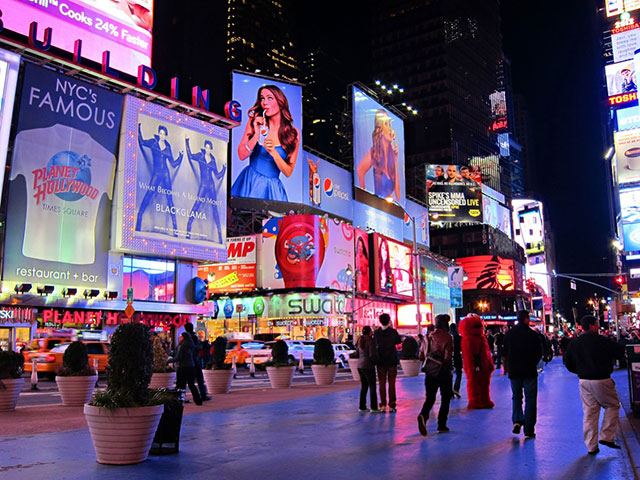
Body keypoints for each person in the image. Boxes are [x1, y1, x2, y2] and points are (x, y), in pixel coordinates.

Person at [564, 315, 626, 455]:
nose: (598, 326)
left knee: (589, 412)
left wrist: (580, 371)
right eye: (597, 324)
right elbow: (619, 352)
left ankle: (591, 445)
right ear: (592, 325)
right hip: (602, 379)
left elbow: (568, 362)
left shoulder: (575, 343)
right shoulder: (602, 341)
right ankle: (607, 436)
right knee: (612, 405)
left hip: (584, 381)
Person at [231, 85, 300, 201]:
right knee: (243, 218)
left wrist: (274, 152)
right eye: (262, 98)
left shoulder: (293, 133)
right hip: (250, 183)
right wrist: (256, 134)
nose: (264, 103)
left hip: (273, 191)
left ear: (280, 102)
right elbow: (241, 155)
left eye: (269, 98)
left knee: (274, 219)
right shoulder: (255, 122)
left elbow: (288, 172)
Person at [136, 124, 183, 235]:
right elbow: (142, 142)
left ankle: (175, 229)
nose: (162, 135)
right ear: (158, 133)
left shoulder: (168, 147)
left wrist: (181, 157)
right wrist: (138, 128)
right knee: (148, 194)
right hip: (156, 173)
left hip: (165, 174)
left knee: (170, 199)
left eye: (164, 134)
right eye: (160, 133)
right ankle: (138, 221)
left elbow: (173, 163)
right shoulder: (153, 142)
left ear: (166, 136)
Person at [502, 310, 543, 439]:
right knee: (530, 399)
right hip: (529, 371)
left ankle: (517, 420)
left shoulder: (509, 334)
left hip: (514, 371)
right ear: (526, 319)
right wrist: (533, 364)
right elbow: (538, 353)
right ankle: (529, 429)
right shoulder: (532, 334)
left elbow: (504, 352)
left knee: (516, 396)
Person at [417, 314, 454, 436]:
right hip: (443, 372)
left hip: (430, 372)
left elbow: (421, 355)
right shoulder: (447, 337)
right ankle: (441, 425)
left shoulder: (427, 336)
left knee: (430, 397)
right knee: (445, 398)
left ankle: (423, 415)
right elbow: (447, 358)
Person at [184, 137, 226, 242]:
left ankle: (220, 237)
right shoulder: (200, 155)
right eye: (206, 148)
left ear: (211, 149)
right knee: (196, 205)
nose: (207, 150)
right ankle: (188, 230)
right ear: (204, 148)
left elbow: (217, 175)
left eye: (209, 148)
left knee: (215, 208)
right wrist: (187, 141)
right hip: (203, 185)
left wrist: (224, 168)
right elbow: (190, 156)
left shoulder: (213, 160)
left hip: (211, 186)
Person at [356, 109, 400, 201]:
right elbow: (360, 170)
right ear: (380, 128)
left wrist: (395, 160)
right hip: (377, 208)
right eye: (386, 124)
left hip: (390, 209)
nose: (389, 129)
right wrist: (364, 198)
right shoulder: (375, 152)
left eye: (389, 124)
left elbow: (398, 195)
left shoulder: (392, 155)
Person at [374, 313, 402, 412]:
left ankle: (382, 405)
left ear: (380, 321)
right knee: (391, 383)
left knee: (381, 383)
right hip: (391, 360)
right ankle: (392, 405)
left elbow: (375, 344)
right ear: (389, 320)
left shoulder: (376, 333)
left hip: (381, 361)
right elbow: (398, 342)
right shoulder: (393, 332)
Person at [357, 326, 381, 413]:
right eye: (371, 331)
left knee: (364, 387)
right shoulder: (371, 341)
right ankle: (374, 407)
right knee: (372, 387)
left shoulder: (360, 340)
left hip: (360, 366)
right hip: (368, 366)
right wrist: (376, 362)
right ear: (369, 332)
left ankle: (362, 406)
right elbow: (372, 355)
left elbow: (357, 353)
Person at [184, 322, 211, 401]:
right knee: (198, 379)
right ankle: (202, 395)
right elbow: (197, 347)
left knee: (188, 381)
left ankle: (186, 397)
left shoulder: (185, 337)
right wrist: (202, 345)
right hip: (194, 360)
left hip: (187, 361)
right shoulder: (193, 337)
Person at [174, 332, 202, 405]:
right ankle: (198, 400)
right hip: (191, 366)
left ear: (183, 337)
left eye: (180, 336)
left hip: (183, 367)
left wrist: (169, 360)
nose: (179, 338)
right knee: (191, 384)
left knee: (180, 385)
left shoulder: (182, 346)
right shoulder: (191, 345)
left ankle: (180, 400)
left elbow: (179, 358)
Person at [450, 322, 463, 398]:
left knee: (449, 375)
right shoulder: (459, 337)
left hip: (449, 357)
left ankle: (450, 392)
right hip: (457, 356)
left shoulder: (448, 337)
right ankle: (456, 389)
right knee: (459, 373)